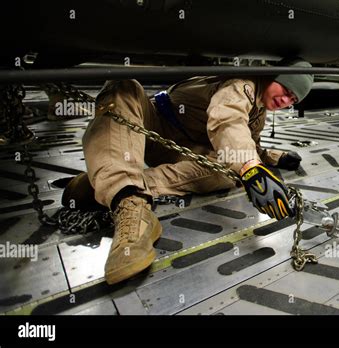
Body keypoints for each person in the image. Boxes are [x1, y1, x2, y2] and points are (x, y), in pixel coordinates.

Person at [64, 58, 313, 284]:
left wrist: (273, 157)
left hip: (181, 150)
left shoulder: (258, 112)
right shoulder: (242, 84)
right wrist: (251, 169)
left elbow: (250, 143)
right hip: (152, 127)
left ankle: (112, 183)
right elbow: (227, 117)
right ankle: (130, 204)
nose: (286, 101)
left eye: (293, 100)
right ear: (272, 76)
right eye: (286, 90)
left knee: (228, 171)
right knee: (123, 87)